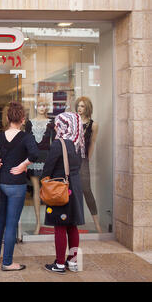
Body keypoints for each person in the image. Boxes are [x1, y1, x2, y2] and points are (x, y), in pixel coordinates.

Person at [0, 101, 39, 271]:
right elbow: (35, 154)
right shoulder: (26, 137)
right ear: (22, 118)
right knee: (11, 224)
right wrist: (23, 165)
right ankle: (8, 262)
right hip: (16, 185)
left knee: (1, 221)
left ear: (6, 118)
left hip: (1, 183)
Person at [42, 112, 86, 274]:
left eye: (57, 123)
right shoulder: (78, 142)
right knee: (72, 226)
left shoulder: (58, 144)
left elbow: (48, 168)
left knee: (59, 226)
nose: (55, 126)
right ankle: (72, 262)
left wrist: (43, 180)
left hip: (61, 188)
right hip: (75, 186)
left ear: (63, 125)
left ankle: (60, 264)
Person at [25, 98, 55, 234]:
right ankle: (38, 223)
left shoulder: (51, 123)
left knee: (48, 191)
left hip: (47, 157)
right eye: (40, 105)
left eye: (44, 105)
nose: (42, 107)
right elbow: (26, 142)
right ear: (36, 106)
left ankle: (50, 222)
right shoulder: (29, 123)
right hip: (33, 157)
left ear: (47, 107)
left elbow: (54, 143)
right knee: (36, 190)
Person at [75, 96, 102, 233]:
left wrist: (87, 159)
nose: (80, 109)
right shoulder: (73, 122)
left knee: (86, 190)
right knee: (70, 190)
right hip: (71, 159)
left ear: (88, 108)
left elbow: (92, 143)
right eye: (78, 106)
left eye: (82, 106)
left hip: (83, 159)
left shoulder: (93, 125)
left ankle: (97, 224)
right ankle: (72, 223)